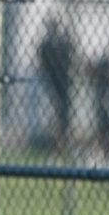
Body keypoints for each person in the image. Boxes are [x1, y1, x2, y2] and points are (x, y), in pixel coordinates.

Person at [37, 17, 75, 157]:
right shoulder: (46, 45)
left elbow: (71, 59)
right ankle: (56, 146)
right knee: (53, 115)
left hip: (63, 85)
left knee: (63, 116)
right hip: (51, 84)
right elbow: (42, 64)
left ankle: (62, 145)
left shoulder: (64, 43)